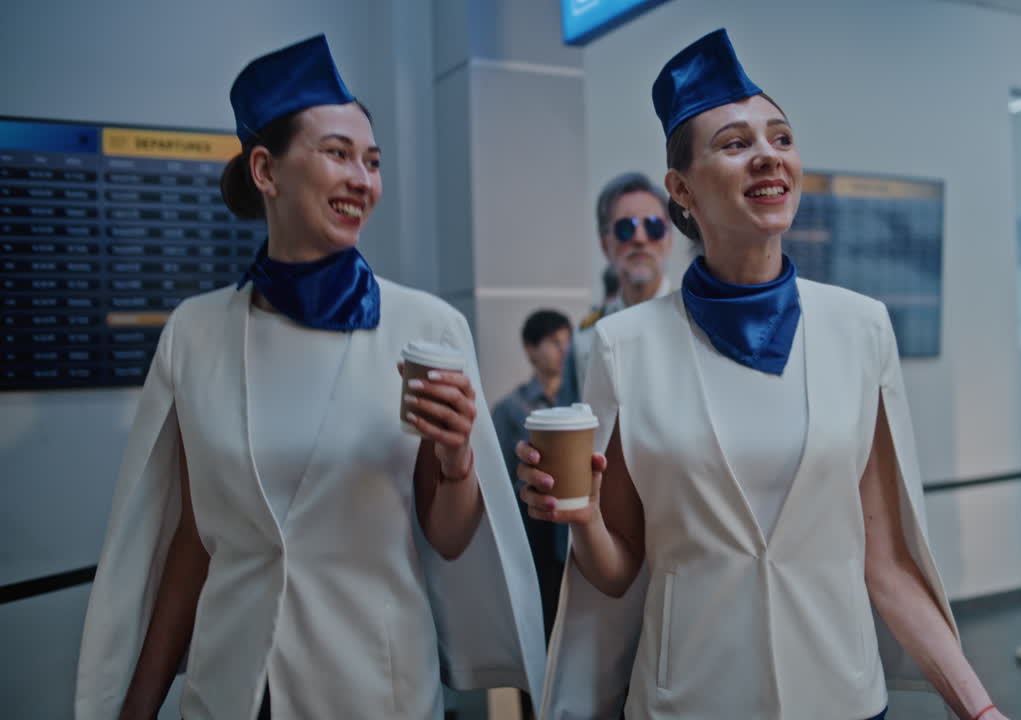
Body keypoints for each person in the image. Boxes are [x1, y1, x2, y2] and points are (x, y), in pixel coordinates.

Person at [522, 29, 1008, 720]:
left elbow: (887, 564)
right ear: (681, 191)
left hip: (840, 697)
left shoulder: (859, 328)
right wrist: (579, 519)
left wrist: (981, 710)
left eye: (780, 138)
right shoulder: (626, 346)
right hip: (688, 699)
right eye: (735, 143)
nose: (768, 157)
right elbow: (619, 567)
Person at [74, 35, 543, 720]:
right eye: (338, 154)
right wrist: (136, 707)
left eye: (373, 162)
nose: (363, 179)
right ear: (266, 170)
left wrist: (456, 458)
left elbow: (445, 534)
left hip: (373, 690)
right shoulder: (196, 334)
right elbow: (193, 541)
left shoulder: (424, 329)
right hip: (231, 691)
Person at [557, 172, 673, 405]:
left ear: (669, 238)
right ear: (604, 243)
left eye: (653, 226)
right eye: (625, 228)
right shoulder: (586, 338)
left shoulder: (698, 323)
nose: (640, 238)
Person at [491, 308, 573, 638]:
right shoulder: (510, 409)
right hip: (531, 534)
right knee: (538, 627)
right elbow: (497, 481)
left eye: (567, 342)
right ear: (530, 349)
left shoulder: (580, 402)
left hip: (573, 537)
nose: (563, 350)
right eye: (554, 342)